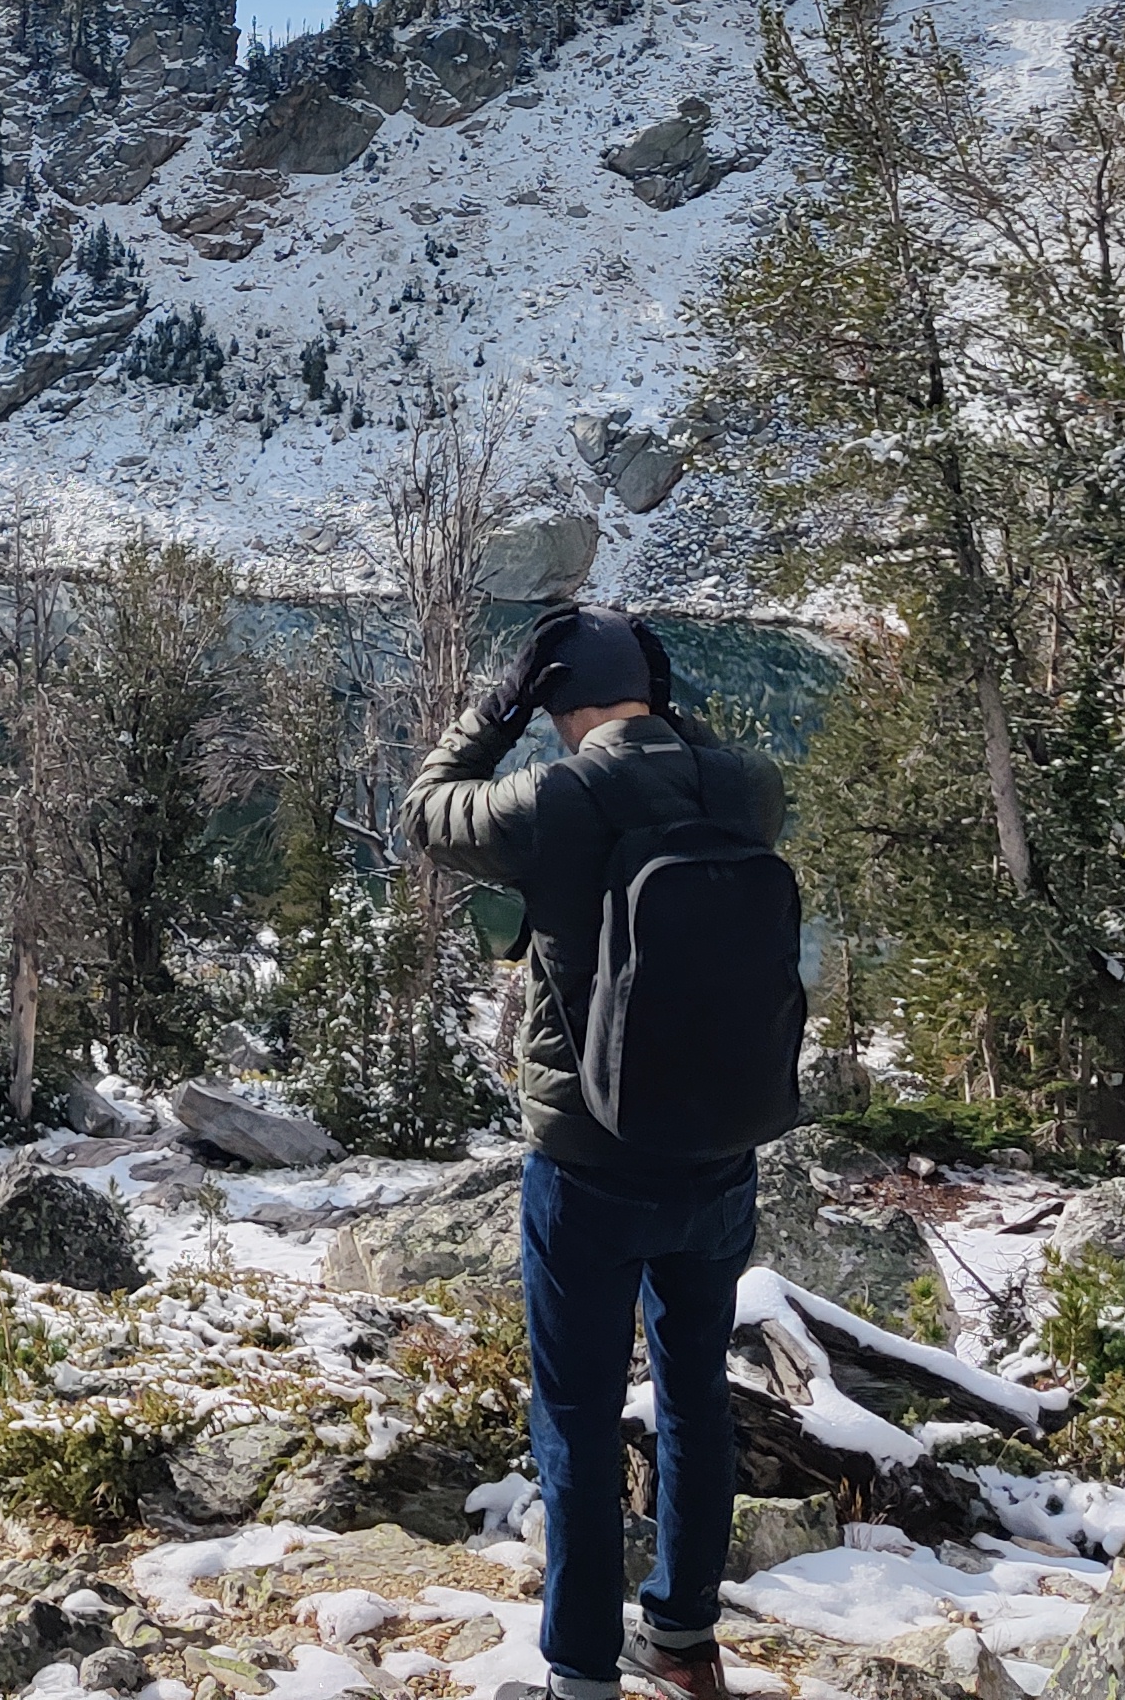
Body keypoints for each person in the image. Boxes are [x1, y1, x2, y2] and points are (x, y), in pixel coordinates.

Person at [401, 601, 787, 1700]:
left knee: (573, 1412)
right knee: (694, 1396)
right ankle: (681, 1640)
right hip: (721, 1153)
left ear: (555, 703)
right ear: (654, 694)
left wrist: (492, 708)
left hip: (588, 1165)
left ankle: (578, 1672)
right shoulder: (747, 784)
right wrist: (667, 702)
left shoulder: (553, 799)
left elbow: (427, 811)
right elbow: (695, 765)